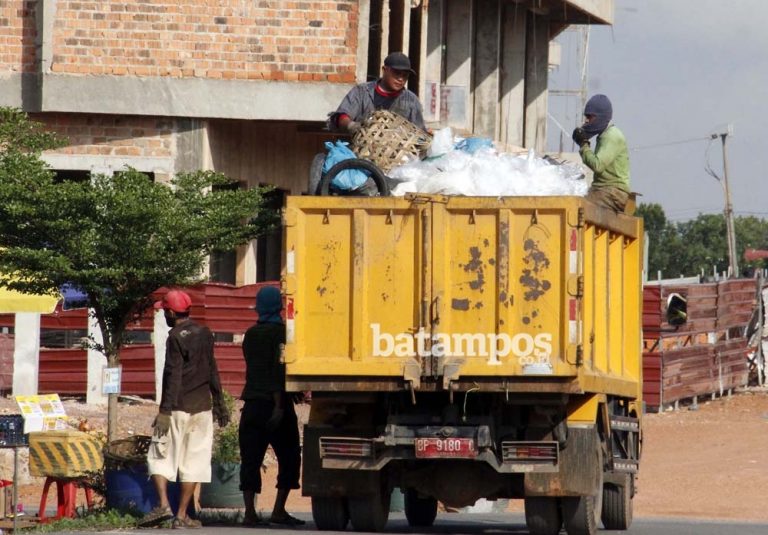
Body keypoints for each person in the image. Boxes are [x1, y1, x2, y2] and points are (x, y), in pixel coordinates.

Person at [139, 289, 230, 529]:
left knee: (159, 457)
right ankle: (181, 514)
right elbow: (213, 370)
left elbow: (173, 375)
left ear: (170, 312)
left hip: (177, 407)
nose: (163, 315)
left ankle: (163, 505)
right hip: (202, 409)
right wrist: (220, 404)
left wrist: (164, 411)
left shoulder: (175, 338)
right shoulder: (205, 333)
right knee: (193, 463)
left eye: (163, 311)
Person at [238, 286, 304, 527]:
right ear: (278, 306)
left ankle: (249, 513)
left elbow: (257, 370)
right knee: (289, 457)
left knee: (250, 460)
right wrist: (279, 405)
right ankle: (278, 510)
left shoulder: (250, 334)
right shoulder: (281, 334)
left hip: (252, 405)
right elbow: (276, 371)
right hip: (276, 406)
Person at [329, 51, 427, 134]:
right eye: (396, 73)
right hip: (360, 151)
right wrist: (351, 125)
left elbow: (420, 133)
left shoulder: (411, 100)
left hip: (396, 153)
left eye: (405, 75)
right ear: (384, 70)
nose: (401, 79)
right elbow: (341, 116)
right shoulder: (362, 91)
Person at [572, 94, 631, 212]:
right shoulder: (604, 135)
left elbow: (597, 166)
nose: (586, 121)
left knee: (575, 207)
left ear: (600, 117)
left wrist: (584, 145)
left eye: (590, 117)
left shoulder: (611, 136)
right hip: (603, 190)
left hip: (612, 192)